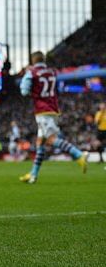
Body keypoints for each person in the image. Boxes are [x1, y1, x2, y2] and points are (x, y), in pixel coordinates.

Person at [19, 51, 88, 184]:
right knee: (40, 143)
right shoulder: (52, 72)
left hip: (42, 110)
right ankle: (33, 175)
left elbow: (24, 91)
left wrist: (27, 75)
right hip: (53, 108)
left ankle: (79, 154)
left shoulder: (32, 73)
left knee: (51, 139)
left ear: (33, 61)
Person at [94, 102, 106, 168]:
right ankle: (101, 158)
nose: (102, 107)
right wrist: (101, 114)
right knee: (97, 144)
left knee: (102, 144)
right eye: (101, 106)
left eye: (103, 106)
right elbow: (97, 122)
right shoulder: (98, 113)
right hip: (100, 130)